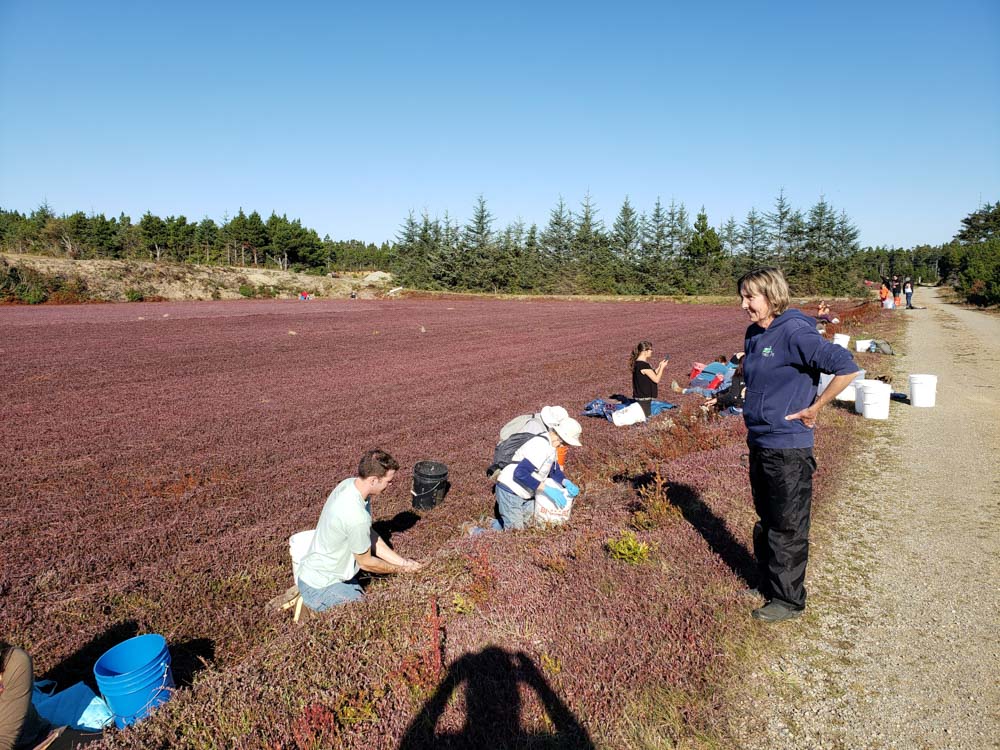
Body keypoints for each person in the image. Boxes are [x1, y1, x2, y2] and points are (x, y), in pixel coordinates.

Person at [738, 268, 860, 623]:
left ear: (772, 296)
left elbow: (847, 368)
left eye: (750, 296)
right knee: (767, 519)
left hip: (788, 446)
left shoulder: (794, 331)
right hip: (760, 440)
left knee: (788, 524)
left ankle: (789, 601)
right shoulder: (754, 333)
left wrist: (816, 407)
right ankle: (769, 583)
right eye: (742, 296)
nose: (743, 304)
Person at [296, 449, 423, 612]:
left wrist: (403, 562)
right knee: (363, 611)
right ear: (373, 480)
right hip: (321, 586)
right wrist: (402, 570)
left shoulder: (350, 485)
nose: (390, 485)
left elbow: (370, 535)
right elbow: (366, 562)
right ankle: (308, 605)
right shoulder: (356, 516)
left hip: (315, 570)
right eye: (388, 481)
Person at [493, 418, 583, 530]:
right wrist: (546, 489)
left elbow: (553, 470)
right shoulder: (541, 446)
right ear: (560, 437)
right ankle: (476, 532)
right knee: (516, 533)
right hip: (511, 490)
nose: (565, 446)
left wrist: (565, 482)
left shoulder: (551, 446)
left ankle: (493, 526)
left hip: (525, 492)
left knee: (529, 525)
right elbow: (520, 473)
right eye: (566, 443)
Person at [629, 341, 669, 418]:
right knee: (646, 418)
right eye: (650, 350)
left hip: (639, 397)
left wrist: (660, 366)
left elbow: (652, 374)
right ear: (645, 351)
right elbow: (656, 379)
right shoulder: (644, 365)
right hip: (644, 399)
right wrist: (663, 368)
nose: (651, 351)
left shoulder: (637, 363)